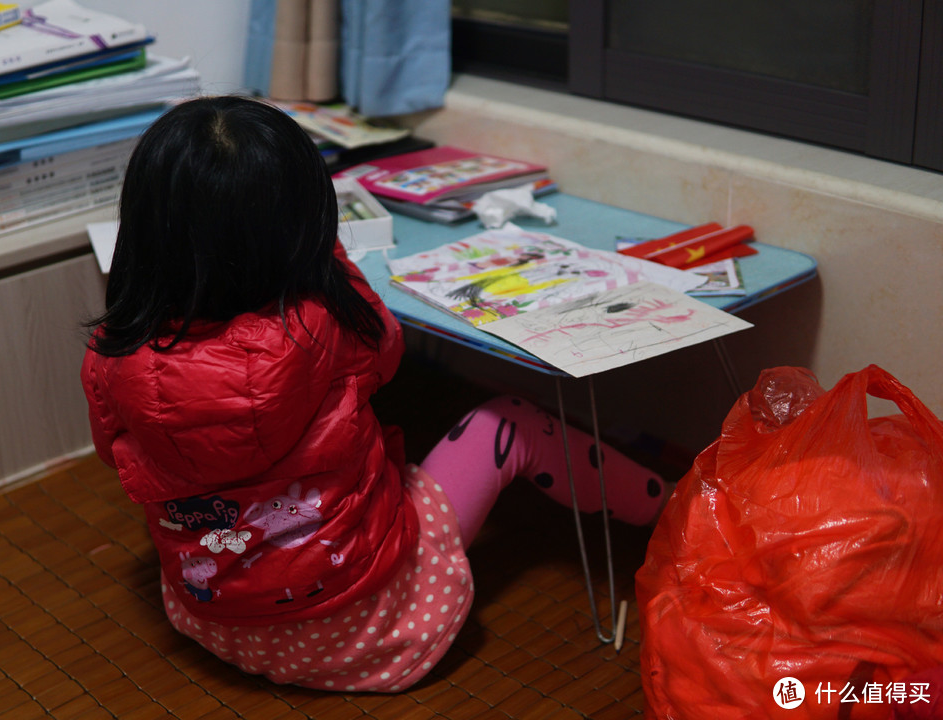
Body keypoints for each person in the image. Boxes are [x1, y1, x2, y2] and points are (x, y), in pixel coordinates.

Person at [81, 95, 668, 693]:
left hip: (216, 618)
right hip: (369, 626)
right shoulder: (322, 322)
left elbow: (114, 453)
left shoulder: (111, 352)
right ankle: (673, 506)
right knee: (507, 424)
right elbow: (389, 352)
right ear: (303, 224)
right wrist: (323, 262)